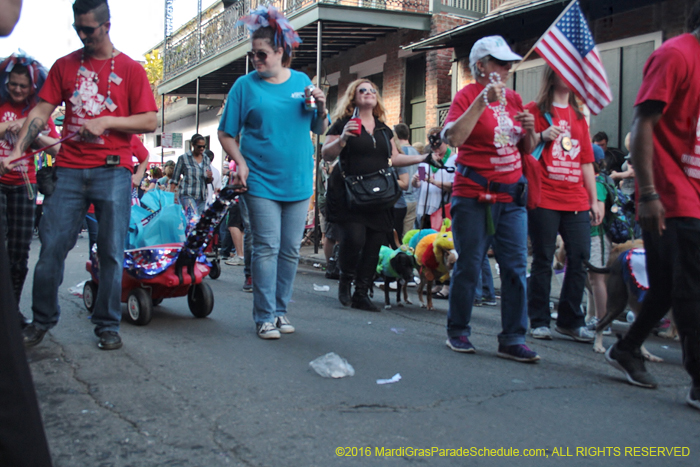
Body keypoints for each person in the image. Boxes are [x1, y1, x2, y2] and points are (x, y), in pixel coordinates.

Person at [0, 0, 158, 351]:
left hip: (113, 170)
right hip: (69, 168)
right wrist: (16, 151)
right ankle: (41, 321)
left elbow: (149, 120)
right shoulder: (65, 65)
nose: (83, 35)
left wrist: (108, 121)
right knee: (52, 246)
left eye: (89, 29)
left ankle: (106, 325)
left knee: (113, 251)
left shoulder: (131, 69)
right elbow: (41, 111)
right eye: (78, 28)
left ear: (107, 25)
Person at [605, 3, 700, 411]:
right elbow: (642, 124)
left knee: (665, 287)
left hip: (693, 191)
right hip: (672, 193)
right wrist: (648, 193)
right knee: (691, 287)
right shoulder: (676, 55)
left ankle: (626, 348)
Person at [218, 6, 328, 339]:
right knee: (267, 246)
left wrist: (322, 105)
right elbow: (226, 133)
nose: (256, 60)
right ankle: (264, 315)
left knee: (290, 249)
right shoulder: (244, 86)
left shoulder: (301, 82)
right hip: (261, 180)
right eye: (253, 55)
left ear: (281, 51)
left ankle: (281, 311)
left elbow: (319, 127)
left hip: (297, 180)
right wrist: (241, 162)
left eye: (262, 54)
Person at [442, 35, 539, 362]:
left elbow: (526, 146)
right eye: (500, 62)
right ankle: (458, 329)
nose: (508, 67)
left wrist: (530, 129)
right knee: (470, 263)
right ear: (481, 66)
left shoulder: (513, 98)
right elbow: (453, 136)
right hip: (474, 195)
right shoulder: (467, 95)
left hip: (512, 195)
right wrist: (482, 101)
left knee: (514, 266)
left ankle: (513, 337)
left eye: (509, 62)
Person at [322, 79, 425, 312]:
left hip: (379, 194)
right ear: (353, 97)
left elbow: (396, 158)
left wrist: (421, 158)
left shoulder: (383, 129)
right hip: (352, 193)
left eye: (372, 90)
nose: (368, 93)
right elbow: (327, 154)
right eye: (362, 90)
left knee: (374, 245)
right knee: (355, 239)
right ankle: (345, 279)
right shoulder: (342, 124)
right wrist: (343, 138)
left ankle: (361, 292)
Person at [525, 66, 601, 342]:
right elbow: (523, 146)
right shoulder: (535, 110)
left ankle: (570, 319)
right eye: (564, 69)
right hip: (545, 194)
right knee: (544, 258)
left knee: (579, 255)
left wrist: (595, 200)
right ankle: (539, 320)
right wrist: (542, 136)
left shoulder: (580, 117)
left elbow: (586, 162)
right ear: (552, 74)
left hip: (576, 197)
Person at [0, 53, 60, 312]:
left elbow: (56, 150)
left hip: (25, 186)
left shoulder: (39, 113)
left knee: (19, 252)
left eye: (23, 85)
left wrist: (31, 132)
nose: (17, 89)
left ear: (33, 87)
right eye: (13, 83)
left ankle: (11, 312)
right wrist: (10, 125)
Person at [412, 127, 456, 230]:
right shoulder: (427, 159)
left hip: (442, 209)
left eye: (438, 145)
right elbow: (419, 182)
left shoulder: (454, 160)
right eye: (433, 146)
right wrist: (415, 180)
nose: (435, 149)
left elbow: (453, 186)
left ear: (445, 142)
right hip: (425, 209)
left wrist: (433, 181)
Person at [170, 134, 212, 216]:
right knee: (193, 218)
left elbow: (208, 180)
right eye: (199, 146)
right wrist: (170, 197)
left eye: (204, 146)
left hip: (202, 196)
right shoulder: (184, 158)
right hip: (187, 194)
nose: (202, 149)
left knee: (198, 222)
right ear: (193, 145)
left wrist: (210, 177)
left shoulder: (206, 159)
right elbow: (175, 179)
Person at [393, 123, 420, 235]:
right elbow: (422, 177)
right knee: (408, 237)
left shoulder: (398, 154)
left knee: (396, 236)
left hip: (400, 199)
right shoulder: (417, 153)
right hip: (414, 199)